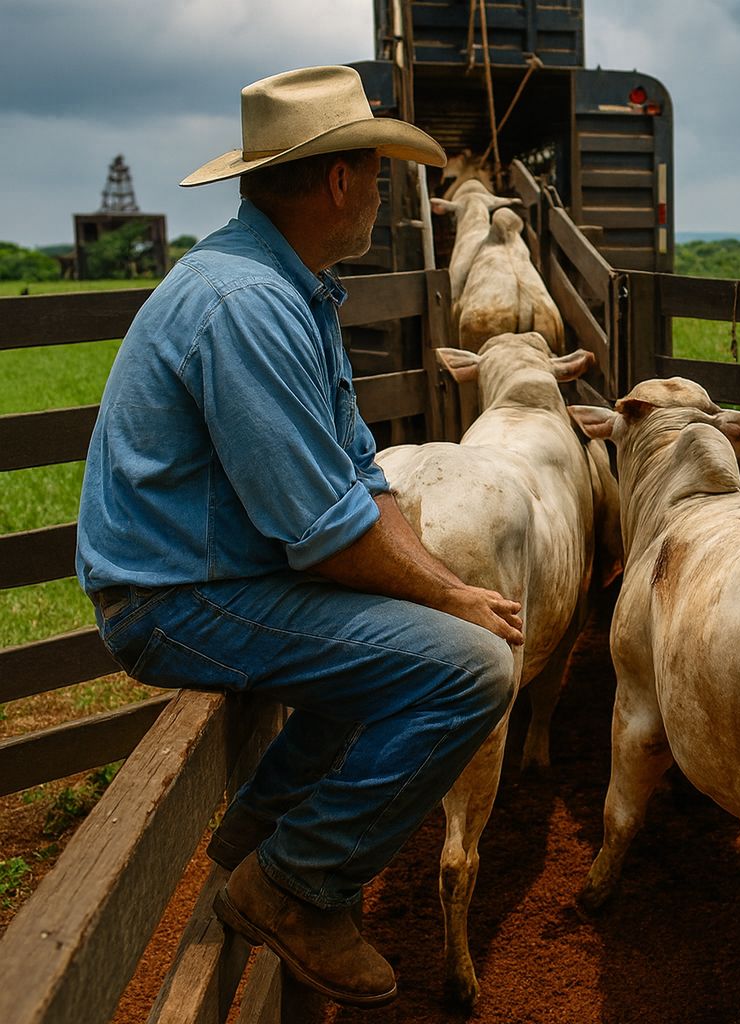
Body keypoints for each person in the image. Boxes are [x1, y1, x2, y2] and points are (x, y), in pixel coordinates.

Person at [74, 66, 523, 1008]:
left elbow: (360, 475)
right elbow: (321, 533)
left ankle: (260, 826)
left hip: (220, 577)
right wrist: (450, 597)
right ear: (336, 181)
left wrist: (435, 584)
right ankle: (295, 885)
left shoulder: (292, 288)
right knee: (471, 668)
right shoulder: (247, 305)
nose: (378, 195)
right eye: (375, 175)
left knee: (416, 630)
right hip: (174, 600)